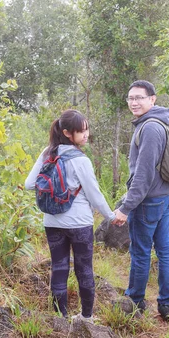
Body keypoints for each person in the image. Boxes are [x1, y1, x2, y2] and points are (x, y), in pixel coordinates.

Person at [25, 109, 116, 323]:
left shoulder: (48, 153)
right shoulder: (81, 160)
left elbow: (30, 184)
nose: (86, 134)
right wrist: (111, 216)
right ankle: (86, 317)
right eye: (81, 131)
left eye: (86, 129)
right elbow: (95, 195)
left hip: (52, 222)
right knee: (84, 269)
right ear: (67, 133)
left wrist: (54, 190)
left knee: (59, 268)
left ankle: (60, 318)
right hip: (80, 224)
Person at [112, 80, 169, 321]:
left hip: (149, 201)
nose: (134, 102)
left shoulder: (150, 127)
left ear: (153, 99)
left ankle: (135, 302)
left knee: (141, 252)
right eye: (130, 98)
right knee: (165, 250)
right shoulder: (164, 122)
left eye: (139, 97)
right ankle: (166, 304)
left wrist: (126, 207)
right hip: (165, 195)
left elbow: (144, 173)